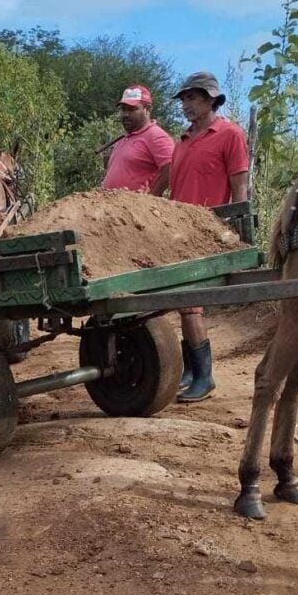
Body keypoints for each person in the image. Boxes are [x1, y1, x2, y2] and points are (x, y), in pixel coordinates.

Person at [168, 72, 249, 402]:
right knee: (180, 304)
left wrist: (241, 229)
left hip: (206, 230)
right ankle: (190, 371)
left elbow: (239, 184)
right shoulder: (183, 140)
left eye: (194, 98)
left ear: (212, 100)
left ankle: (205, 376)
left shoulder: (229, 134)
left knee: (191, 306)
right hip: (176, 230)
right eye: (184, 99)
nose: (187, 104)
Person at [101, 85, 174, 196]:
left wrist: (150, 199)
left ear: (148, 109)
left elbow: (171, 167)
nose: (126, 114)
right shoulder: (123, 139)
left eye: (132, 109)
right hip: (111, 208)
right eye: (123, 109)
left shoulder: (156, 136)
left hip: (132, 210)